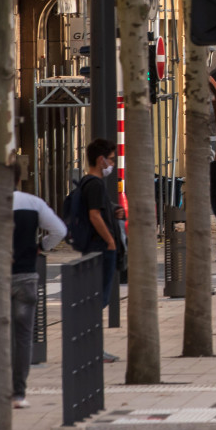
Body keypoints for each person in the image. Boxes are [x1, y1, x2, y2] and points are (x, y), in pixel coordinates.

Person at [0, 151, 67, 408]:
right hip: (27, 277)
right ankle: (19, 393)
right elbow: (59, 230)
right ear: (18, 178)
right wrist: (42, 245)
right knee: (23, 337)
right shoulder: (34, 203)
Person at [78, 138, 125, 354]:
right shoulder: (95, 184)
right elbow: (94, 215)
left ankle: (92, 345)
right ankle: (92, 346)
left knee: (98, 297)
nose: (112, 164)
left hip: (96, 246)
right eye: (111, 159)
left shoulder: (88, 183)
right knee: (100, 298)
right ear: (101, 160)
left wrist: (113, 210)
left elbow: (98, 211)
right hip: (101, 247)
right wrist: (110, 240)